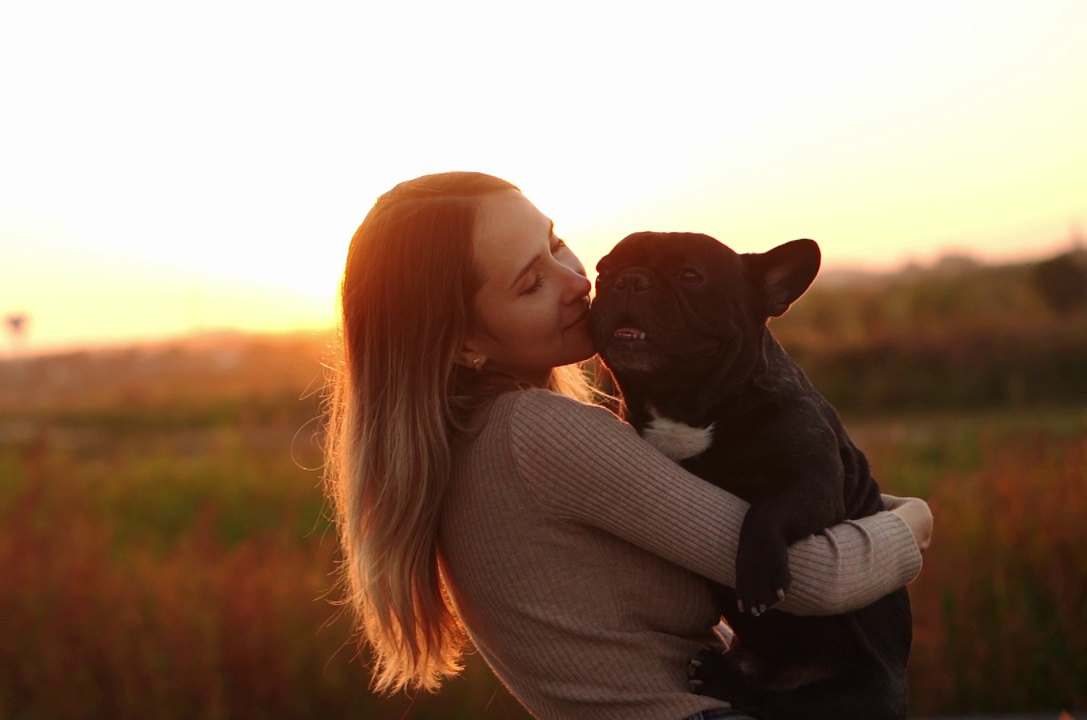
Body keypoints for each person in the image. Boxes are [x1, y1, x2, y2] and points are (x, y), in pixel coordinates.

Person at [322, 171, 933, 720]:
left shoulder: (471, 442)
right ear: (462, 344)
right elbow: (811, 580)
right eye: (531, 282)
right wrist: (913, 521)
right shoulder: (537, 434)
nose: (573, 281)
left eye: (557, 242)